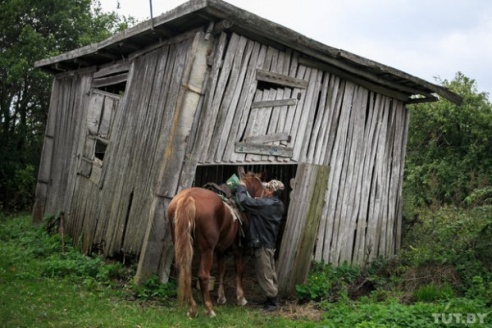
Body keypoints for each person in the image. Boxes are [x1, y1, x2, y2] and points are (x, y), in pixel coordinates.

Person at [234, 178, 285, 312]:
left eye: (267, 188)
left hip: (262, 243)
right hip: (268, 242)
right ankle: (272, 297)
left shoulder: (266, 205)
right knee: (270, 272)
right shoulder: (277, 204)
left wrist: (242, 187)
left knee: (264, 273)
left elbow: (243, 200)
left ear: (270, 191)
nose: (265, 190)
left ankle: (272, 303)